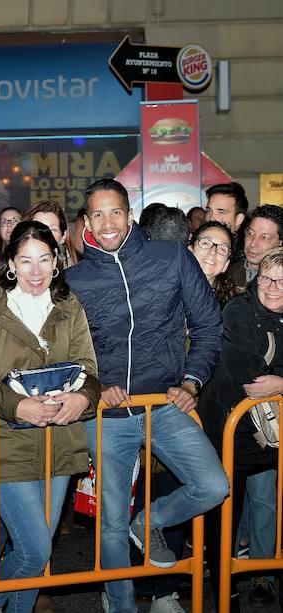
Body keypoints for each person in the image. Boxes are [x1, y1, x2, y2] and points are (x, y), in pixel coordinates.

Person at [65, 179, 228, 613]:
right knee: (111, 523)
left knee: (213, 485)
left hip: (165, 406)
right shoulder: (74, 280)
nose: (108, 223)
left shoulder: (171, 257)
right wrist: (95, 384)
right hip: (108, 416)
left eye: (115, 212)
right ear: (87, 223)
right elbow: (65, 353)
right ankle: (120, 604)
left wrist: (192, 381)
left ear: (130, 215)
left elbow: (209, 325)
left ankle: (150, 520)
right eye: (98, 214)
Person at [0, 221, 101, 613]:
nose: (35, 270)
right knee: (36, 548)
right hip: (7, 443)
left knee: (36, 557)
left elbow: (89, 369)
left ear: (56, 260)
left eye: (43, 259)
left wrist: (83, 398)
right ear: (11, 263)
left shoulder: (70, 306)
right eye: (25, 260)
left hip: (60, 443)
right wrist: (17, 405)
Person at [198, 246, 283, 610]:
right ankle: (224, 593)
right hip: (230, 428)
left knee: (267, 505)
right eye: (266, 278)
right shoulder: (238, 309)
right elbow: (251, 378)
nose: (272, 287)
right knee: (224, 513)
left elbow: (269, 381)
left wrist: (280, 383)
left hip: (272, 435)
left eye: (281, 281)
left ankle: (265, 577)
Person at [227, 204, 283, 288]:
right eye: (251, 233)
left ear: (280, 243)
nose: (253, 243)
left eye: (264, 237)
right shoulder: (227, 273)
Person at [189, 221, 239, 306]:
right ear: (190, 250)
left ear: (225, 265)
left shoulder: (230, 307)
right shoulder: (166, 288)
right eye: (206, 243)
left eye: (222, 249)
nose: (213, 252)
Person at [24, 200, 79, 267]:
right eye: (38, 227)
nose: (45, 234)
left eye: (53, 229)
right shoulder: (15, 268)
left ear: (63, 237)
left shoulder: (74, 272)